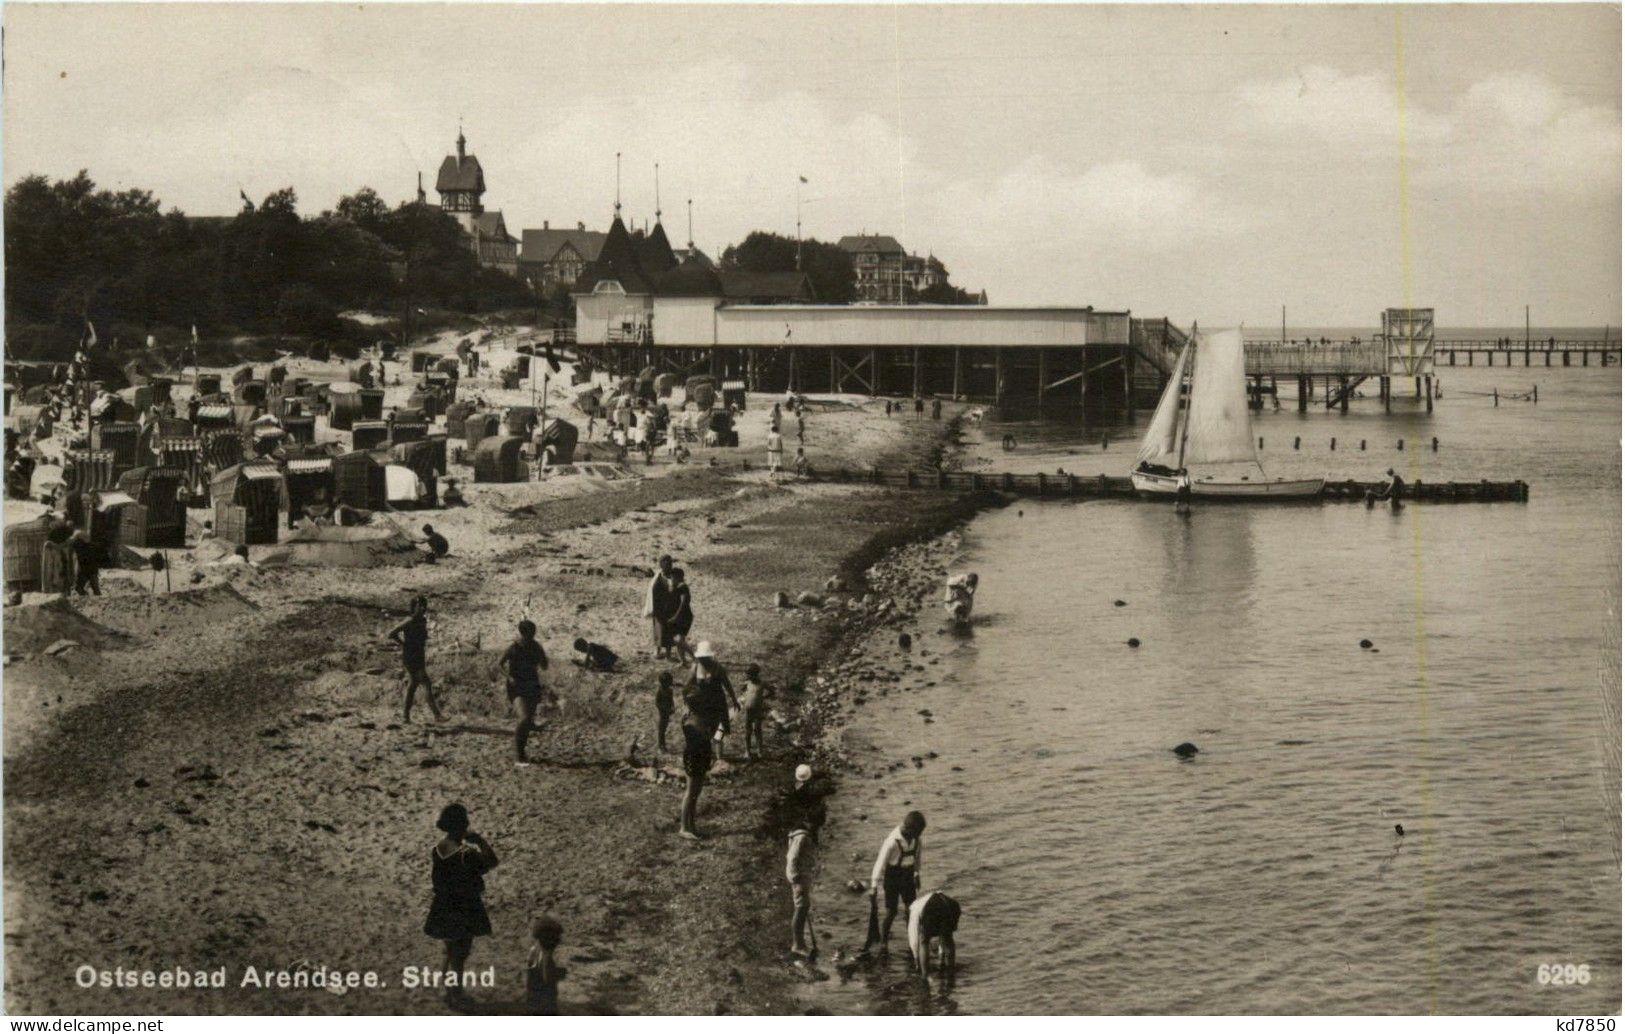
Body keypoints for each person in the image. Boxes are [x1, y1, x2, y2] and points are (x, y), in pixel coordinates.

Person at [423, 803, 498, 1011]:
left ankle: (448, 992)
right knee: (461, 954)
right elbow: (491, 862)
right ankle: (456, 993)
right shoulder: (467, 854)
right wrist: (481, 841)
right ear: (463, 825)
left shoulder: (438, 849)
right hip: (464, 908)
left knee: (449, 951)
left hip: (443, 905)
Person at [678, 641, 734, 840]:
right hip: (695, 752)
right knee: (692, 791)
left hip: (697, 750)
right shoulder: (694, 724)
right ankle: (685, 828)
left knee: (694, 792)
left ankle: (690, 826)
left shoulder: (692, 720)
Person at [867, 811, 926, 952]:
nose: (919, 835)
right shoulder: (892, 842)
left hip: (908, 875)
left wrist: (917, 874)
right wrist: (874, 886)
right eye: (917, 832)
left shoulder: (917, 839)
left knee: (910, 910)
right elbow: (879, 864)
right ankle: (883, 941)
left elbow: (917, 859)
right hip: (893, 876)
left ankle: (912, 940)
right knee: (891, 911)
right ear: (909, 829)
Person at [498, 619, 550, 767]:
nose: (532, 636)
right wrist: (509, 676)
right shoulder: (514, 647)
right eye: (530, 633)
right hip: (517, 687)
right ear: (523, 633)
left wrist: (542, 657)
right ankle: (518, 755)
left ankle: (522, 753)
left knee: (527, 722)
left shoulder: (536, 647)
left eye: (534, 633)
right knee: (524, 718)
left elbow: (544, 666)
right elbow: (499, 664)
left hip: (532, 686)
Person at [389, 595, 442, 724]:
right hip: (411, 656)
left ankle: (405, 716)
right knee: (426, 683)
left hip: (419, 655)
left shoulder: (422, 621)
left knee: (413, 685)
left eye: (424, 606)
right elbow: (391, 634)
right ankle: (437, 715)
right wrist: (403, 644)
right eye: (420, 606)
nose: (423, 608)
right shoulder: (410, 620)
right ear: (414, 607)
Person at [907, 891, 961, 976]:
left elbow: (913, 939)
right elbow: (944, 935)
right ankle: (950, 971)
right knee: (948, 938)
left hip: (931, 907)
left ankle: (924, 976)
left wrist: (916, 959)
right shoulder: (919, 904)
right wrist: (941, 957)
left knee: (924, 941)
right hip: (952, 905)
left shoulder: (914, 909)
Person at [525, 915, 565, 1016]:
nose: (558, 942)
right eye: (555, 937)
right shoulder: (541, 954)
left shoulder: (537, 951)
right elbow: (545, 979)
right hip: (542, 1006)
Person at [786, 821, 816, 957]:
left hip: (803, 877)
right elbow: (792, 858)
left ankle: (800, 943)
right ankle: (797, 945)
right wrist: (795, 879)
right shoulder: (801, 837)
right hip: (800, 878)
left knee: (803, 907)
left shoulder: (799, 835)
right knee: (801, 908)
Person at [643, 555, 676, 659]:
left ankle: (668, 654)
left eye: (670, 564)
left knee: (670, 632)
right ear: (662, 565)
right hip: (660, 610)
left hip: (670, 609)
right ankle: (657, 652)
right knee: (659, 631)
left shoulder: (673, 577)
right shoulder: (657, 579)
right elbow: (654, 596)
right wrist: (658, 610)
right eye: (667, 564)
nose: (669, 566)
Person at [740, 663, 771, 760]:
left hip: (758, 710)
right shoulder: (747, 683)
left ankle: (759, 751)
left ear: (756, 674)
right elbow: (742, 691)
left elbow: (772, 691)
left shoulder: (762, 683)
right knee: (747, 731)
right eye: (748, 674)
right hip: (748, 710)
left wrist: (763, 697)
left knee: (757, 730)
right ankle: (747, 751)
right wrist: (744, 698)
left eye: (751, 674)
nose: (749, 676)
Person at [665, 567, 695, 664]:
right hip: (680, 618)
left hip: (684, 618)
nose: (671, 579)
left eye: (672, 577)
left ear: (678, 577)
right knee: (679, 641)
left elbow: (683, 603)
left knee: (679, 640)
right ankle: (684, 661)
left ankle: (695, 659)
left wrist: (675, 617)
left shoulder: (682, 587)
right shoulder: (677, 587)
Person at [69, 528, 102, 597]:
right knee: (95, 589)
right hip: (90, 570)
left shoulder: (79, 545)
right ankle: (93, 599)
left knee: (79, 588)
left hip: (86, 570)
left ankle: (88, 598)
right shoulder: (90, 546)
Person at [654, 670, 676, 752]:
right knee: (661, 729)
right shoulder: (660, 691)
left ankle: (662, 744)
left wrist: (673, 706)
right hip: (663, 713)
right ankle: (661, 745)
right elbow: (657, 702)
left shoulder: (669, 690)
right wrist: (664, 709)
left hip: (667, 712)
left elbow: (671, 700)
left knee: (664, 728)